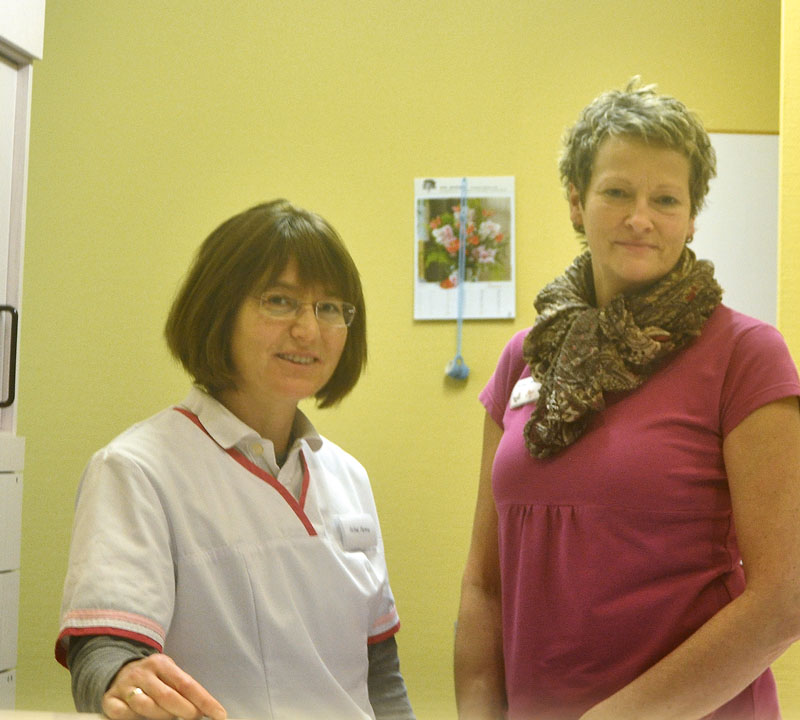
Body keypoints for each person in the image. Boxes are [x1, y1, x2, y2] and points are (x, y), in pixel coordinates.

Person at [454, 79, 800, 720]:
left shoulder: (747, 357)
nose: (640, 218)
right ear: (575, 202)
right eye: (616, 191)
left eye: (665, 198)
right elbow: (484, 582)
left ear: (692, 215)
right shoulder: (522, 359)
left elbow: (785, 600)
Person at [56, 200, 415, 720]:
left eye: (330, 307)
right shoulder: (137, 469)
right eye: (280, 301)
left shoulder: (348, 477)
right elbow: (106, 654)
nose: (309, 331)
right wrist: (122, 680)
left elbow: (380, 672)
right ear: (218, 310)